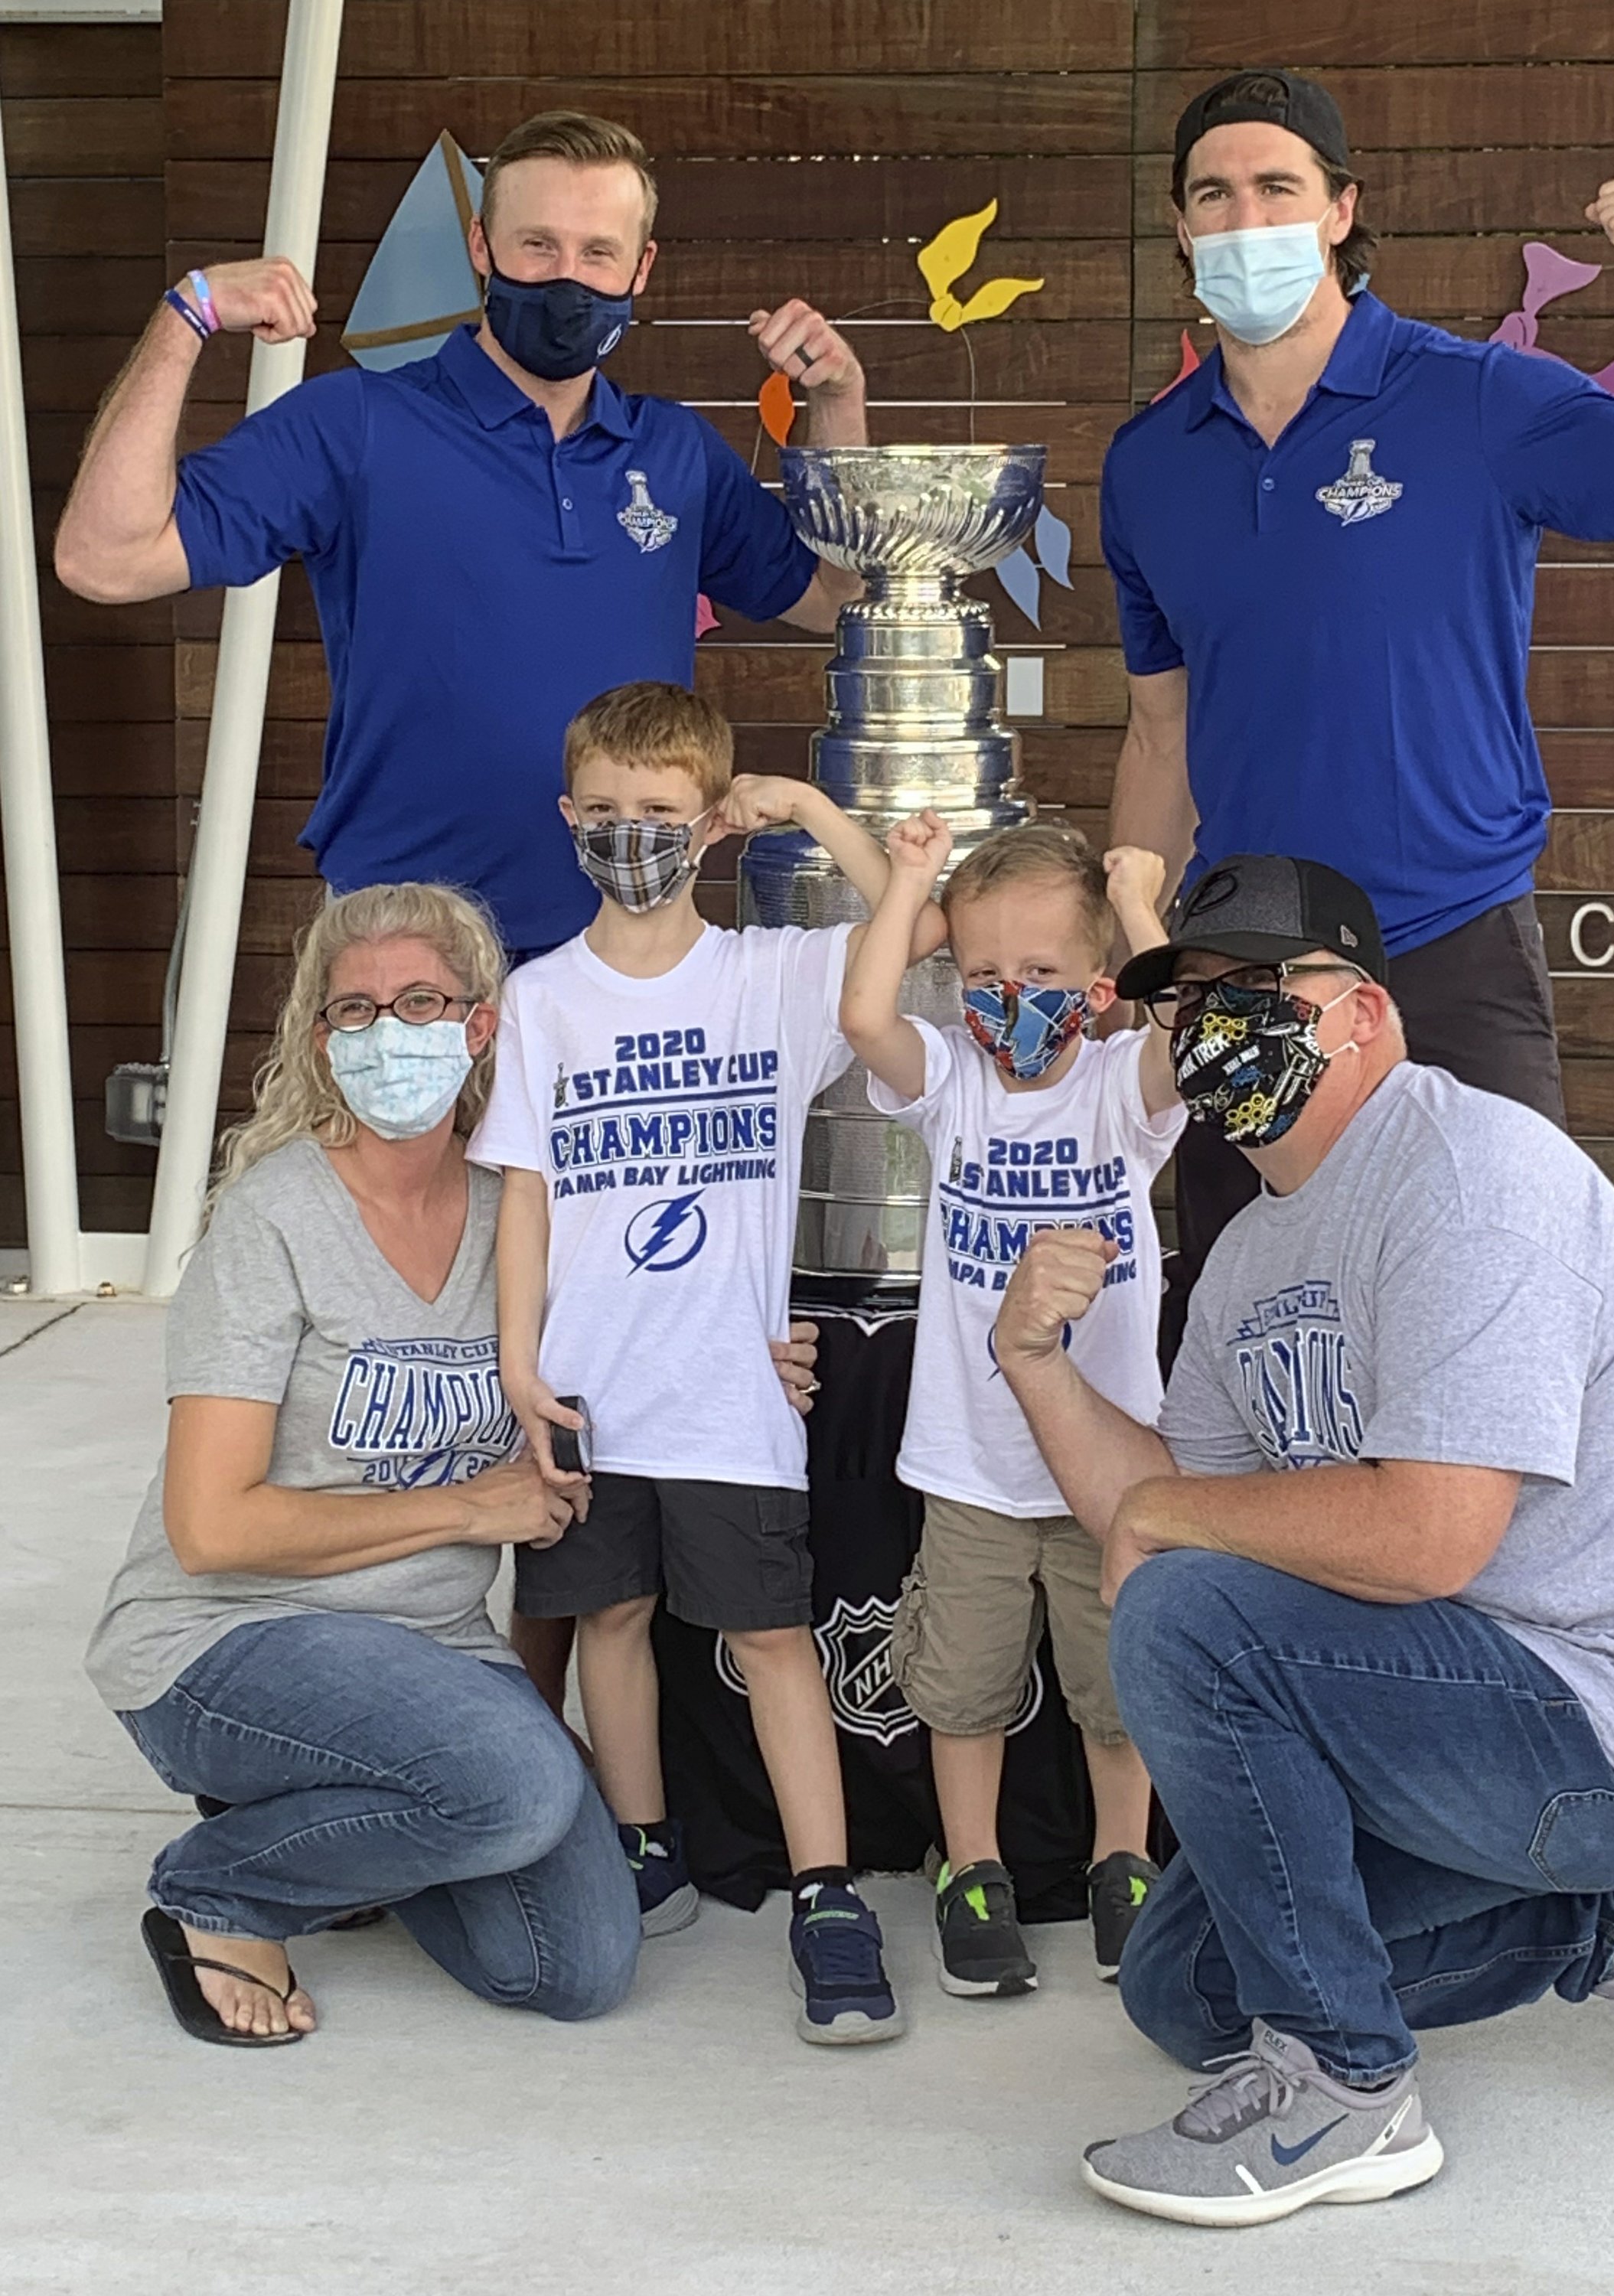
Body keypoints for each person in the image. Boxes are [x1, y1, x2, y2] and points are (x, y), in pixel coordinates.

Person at [990, 851, 1614, 2225]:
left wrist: (1171, 1523)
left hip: (1603, 1718)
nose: (1207, 1031)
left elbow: (1426, 1537)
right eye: (1187, 1004)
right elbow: (1178, 1493)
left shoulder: (1468, 1177)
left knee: (1183, 1606)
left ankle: (1347, 2092)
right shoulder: (1248, 1253)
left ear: (1357, 1012)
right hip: (1448, 1708)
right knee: (1187, 1991)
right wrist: (1034, 1362)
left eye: (1252, 991)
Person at [1101, 69, 1614, 1275]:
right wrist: (1133, 971)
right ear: (1179, 228)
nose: (1243, 220)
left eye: (1276, 187)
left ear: (1338, 209)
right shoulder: (1145, 465)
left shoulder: (1477, 398)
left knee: (1496, 1312)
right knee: (1245, 1343)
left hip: (1446, 949)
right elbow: (1158, 736)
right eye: (1211, 195)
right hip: (1243, 970)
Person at [53, 106, 866, 959]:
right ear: (480, 248)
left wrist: (836, 401)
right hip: (410, 959)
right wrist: (189, 315)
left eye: (598, 253)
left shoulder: (676, 453)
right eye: (536, 245)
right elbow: (102, 559)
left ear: (641, 267)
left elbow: (832, 596)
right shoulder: (357, 423)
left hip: (622, 955)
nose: (566, 278)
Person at [470, 682, 946, 2046]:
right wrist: (518, 1362)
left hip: (732, 1392)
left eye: (663, 814)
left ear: (707, 823)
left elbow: (912, 945)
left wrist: (798, 808)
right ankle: (642, 1840)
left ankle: (826, 1891)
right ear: (568, 819)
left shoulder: (767, 977)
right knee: (608, 1620)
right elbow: (525, 1195)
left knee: (770, 1637)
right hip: (590, 1387)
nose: (633, 835)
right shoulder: (544, 997)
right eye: (607, 813)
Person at [86, 884, 624, 2046]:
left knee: (568, 1965)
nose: (390, 1033)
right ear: (322, 1040)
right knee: (516, 1788)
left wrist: (762, 1352)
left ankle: (350, 1809)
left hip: (431, 1647)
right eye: (356, 1011)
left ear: (479, 1026)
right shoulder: (274, 1220)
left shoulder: (514, 1214)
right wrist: (470, 1507)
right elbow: (210, 1530)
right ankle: (218, 1888)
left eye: (420, 1000)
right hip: (228, 1638)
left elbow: (643, 1319)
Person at [838, 820, 1185, 1996]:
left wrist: (1138, 907)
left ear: (1095, 988)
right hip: (971, 1461)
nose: (1008, 998)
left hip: (1108, 1465)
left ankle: (1121, 1862)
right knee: (964, 1684)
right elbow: (864, 1019)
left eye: (1040, 974)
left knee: (1116, 1688)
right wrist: (910, 892)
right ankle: (970, 1865)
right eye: (983, 975)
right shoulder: (951, 1086)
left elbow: (1200, 1043)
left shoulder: (1118, 1093)